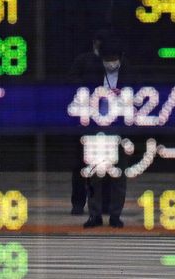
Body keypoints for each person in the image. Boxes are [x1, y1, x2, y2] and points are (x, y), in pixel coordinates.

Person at [75, 37, 128, 228]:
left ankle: (115, 215)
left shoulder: (128, 75)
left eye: (113, 58)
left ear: (120, 57)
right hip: (97, 129)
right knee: (95, 176)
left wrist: (122, 98)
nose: (110, 62)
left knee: (118, 175)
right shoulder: (92, 74)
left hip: (119, 130)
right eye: (107, 58)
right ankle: (94, 214)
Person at [68, 29, 110, 215]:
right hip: (85, 120)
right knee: (80, 164)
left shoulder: (116, 62)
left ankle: (104, 204)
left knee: (106, 165)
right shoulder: (83, 61)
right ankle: (78, 203)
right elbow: (72, 86)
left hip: (107, 120)